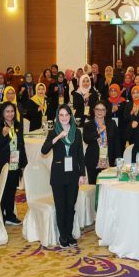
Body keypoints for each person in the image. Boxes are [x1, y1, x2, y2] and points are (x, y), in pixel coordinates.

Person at [41, 105, 85, 247]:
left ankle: (69, 234)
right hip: (58, 175)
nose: (64, 118)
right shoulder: (54, 132)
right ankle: (63, 236)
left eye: (67, 115)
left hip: (73, 174)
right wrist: (58, 137)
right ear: (57, 117)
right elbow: (44, 150)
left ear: (71, 116)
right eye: (61, 115)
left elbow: (80, 154)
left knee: (70, 206)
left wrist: (82, 173)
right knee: (61, 207)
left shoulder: (76, 132)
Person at [0, 102, 27, 225]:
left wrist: (23, 164)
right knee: (3, 190)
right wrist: (3, 135)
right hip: (3, 164)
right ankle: (1, 215)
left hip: (15, 163)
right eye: (7, 111)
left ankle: (10, 215)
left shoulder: (17, 125)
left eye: (12, 111)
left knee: (12, 190)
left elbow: (21, 144)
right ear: (2, 113)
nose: (10, 114)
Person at [84, 101, 119, 185]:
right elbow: (86, 139)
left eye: (103, 110)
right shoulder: (88, 124)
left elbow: (116, 142)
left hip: (108, 160)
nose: (100, 112)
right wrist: (98, 132)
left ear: (106, 111)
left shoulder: (111, 123)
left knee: (108, 186)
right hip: (93, 161)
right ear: (94, 110)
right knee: (93, 187)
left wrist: (118, 158)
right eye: (97, 109)